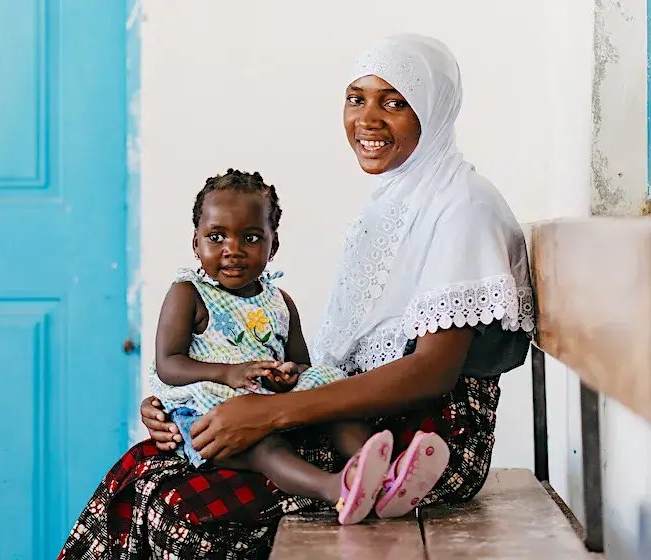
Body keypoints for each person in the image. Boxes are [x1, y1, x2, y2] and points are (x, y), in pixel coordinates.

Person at [59, 33, 534, 559]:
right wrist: (183, 407)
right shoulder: (395, 201)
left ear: (436, 108)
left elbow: (432, 374)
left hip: (432, 435)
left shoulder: (462, 206)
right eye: (357, 98)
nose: (368, 119)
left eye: (395, 101)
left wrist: (268, 414)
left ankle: (353, 484)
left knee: (177, 502)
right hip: (372, 417)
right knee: (144, 466)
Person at [147, 168, 443, 525]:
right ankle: (337, 488)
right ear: (196, 244)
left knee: (335, 402)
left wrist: (287, 376)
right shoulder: (189, 295)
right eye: (216, 236)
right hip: (206, 418)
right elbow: (169, 363)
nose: (233, 250)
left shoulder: (280, 302)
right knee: (267, 449)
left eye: (251, 238)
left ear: (274, 246)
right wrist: (229, 373)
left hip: (266, 405)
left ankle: (386, 475)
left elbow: (301, 366)